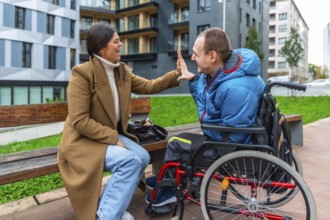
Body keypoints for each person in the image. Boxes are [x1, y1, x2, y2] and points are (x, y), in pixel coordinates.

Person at [57, 22, 181, 220]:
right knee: (130, 162)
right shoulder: (82, 73)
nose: (121, 45)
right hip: (84, 141)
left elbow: (149, 86)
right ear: (101, 47)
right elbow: (80, 121)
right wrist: (113, 137)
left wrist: (176, 75)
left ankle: (112, 206)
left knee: (142, 157)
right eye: (116, 41)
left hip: (107, 137)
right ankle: (107, 216)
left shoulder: (122, 71)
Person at [145, 27, 266, 207]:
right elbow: (212, 99)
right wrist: (193, 80)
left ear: (212, 56)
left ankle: (169, 190)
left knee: (176, 142)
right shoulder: (228, 73)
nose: (192, 58)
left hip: (231, 147)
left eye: (196, 54)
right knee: (185, 141)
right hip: (237, 136)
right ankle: (171, 180)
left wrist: (204, 119)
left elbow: (232, 135)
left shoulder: (233, 88)